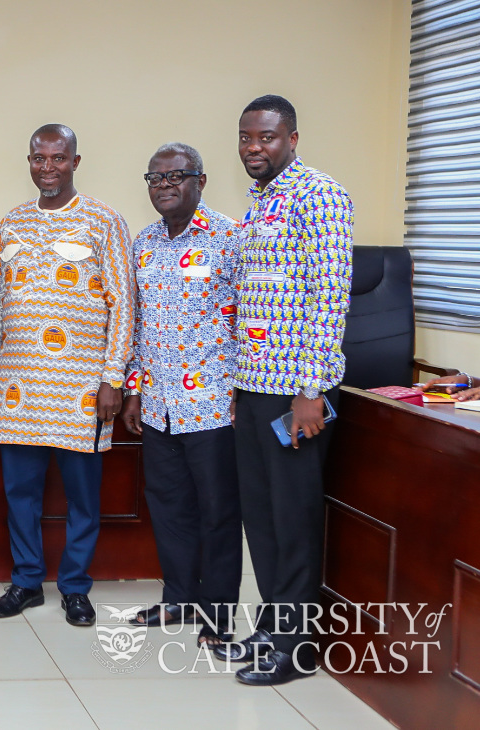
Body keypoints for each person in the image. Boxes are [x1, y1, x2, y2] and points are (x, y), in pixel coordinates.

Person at [218, 95, 353, 686]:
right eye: (247, 137)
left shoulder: (320, 195)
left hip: (295, 391)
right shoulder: (259, 203)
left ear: (292, 138)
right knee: (262, 518)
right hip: (254, 386)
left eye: (267, 137)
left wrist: (310, 389)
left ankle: (299, 647)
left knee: (293, 519)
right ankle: (274, 626)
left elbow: (329, 298)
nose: (254, 147)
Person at [0, 124, 133, 626]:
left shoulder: (103, 220)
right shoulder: (13, 223)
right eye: (39, 159)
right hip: (19, 385)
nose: (48, 167)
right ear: (29, 162)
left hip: (81, 389)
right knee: (20, 493)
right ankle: (26, 582)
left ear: (75, 162)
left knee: (82, 497)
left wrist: (112, 378)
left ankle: (75, 587)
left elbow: (123, 302)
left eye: (58, 158)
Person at [120, 143, 243, 646]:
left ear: (202, 181)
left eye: (177, 175)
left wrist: (242, 393)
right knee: (168, 506)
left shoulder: (231, 238)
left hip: (214, 403)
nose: (165, 185)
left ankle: (217, 615)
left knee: (217, 511)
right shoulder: (143, 243)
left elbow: (253, 321)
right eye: (155, 177)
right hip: (157, 403)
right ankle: (178, 600)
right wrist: (133, 390)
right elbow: (136, 324)